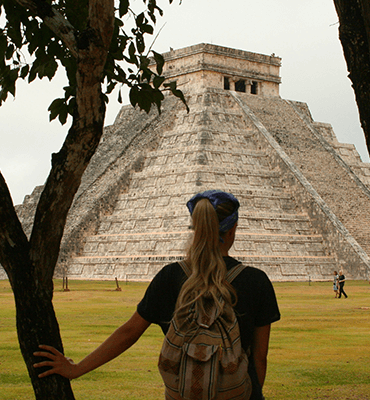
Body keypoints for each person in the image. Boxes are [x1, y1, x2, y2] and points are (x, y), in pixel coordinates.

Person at [34, 189, 281, 399]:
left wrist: (76, 369)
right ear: (231, 230)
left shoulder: (171, 277)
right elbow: (260, 358)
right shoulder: (256, 281)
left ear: (196, 229)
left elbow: (129, 332)